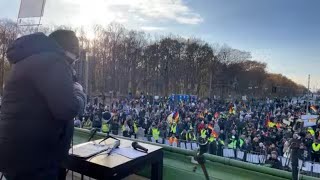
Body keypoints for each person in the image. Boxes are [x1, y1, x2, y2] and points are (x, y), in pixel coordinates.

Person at [0, 30, 85, 180]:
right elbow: (67, 109)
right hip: (35, 160)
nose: (73, 63)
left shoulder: (27, 61)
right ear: (68, 50)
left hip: (16, 154)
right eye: (75, 58)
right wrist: (78, 93)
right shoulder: (53, 61)